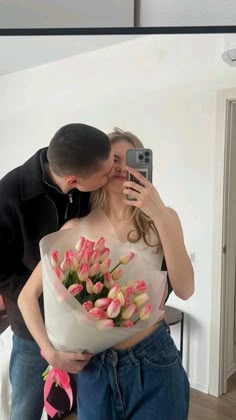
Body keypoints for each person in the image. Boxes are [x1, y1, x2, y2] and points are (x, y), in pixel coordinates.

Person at [18, 128, 194, 420]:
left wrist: (159, 214)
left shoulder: (164, 218)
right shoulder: (75, 228)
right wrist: (50, 353)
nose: (122, 167)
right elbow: (27, 297)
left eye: (131, 159)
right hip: (94, 372)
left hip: (153, 361)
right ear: (99, 167)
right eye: (114, 159)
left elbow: (186, 289)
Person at [0, 123, 114, 420]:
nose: (110, 175)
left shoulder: (89, 187)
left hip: (82, 321)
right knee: (24, 409)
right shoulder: (8, 194)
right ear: (75, 179)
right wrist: (44, 291)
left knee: (72, 407)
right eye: (105, 173)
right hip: (30, 325)